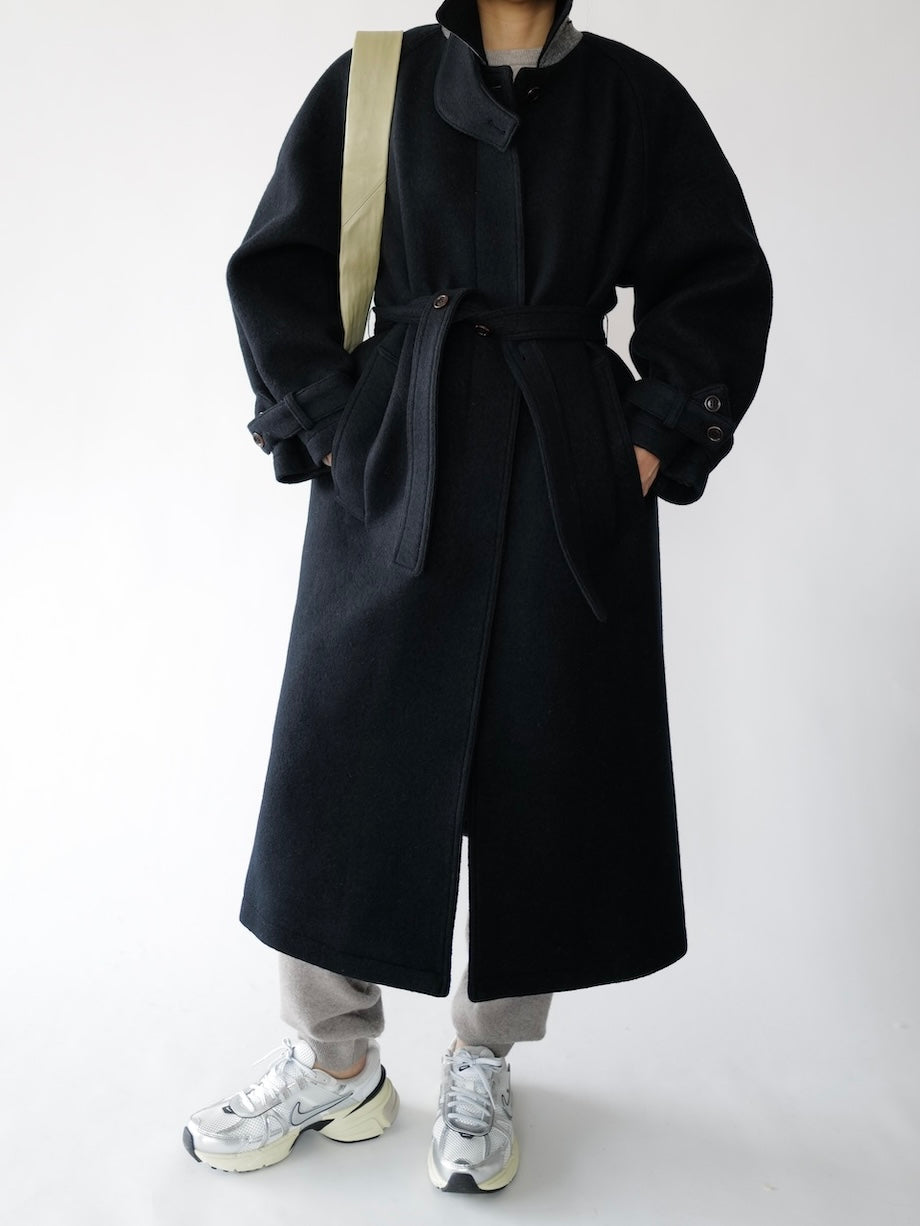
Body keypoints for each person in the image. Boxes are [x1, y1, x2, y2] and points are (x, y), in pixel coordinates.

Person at [183, 0, 773, 1193]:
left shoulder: (632, 98)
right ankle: (332, 1059)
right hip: (398, 458)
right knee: (337, 756)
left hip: (565, 470)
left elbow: (715, 281)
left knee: (538, 765)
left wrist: (641, 447)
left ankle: (484, 1060)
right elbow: (278, 270)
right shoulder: (372, 83)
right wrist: (340, 435)